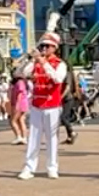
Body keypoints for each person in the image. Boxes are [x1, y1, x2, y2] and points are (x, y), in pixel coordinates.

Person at [19, 15, 65, 180]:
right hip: (37, 104)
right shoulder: (36, 63)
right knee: (34, 137)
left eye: (47, 46)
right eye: (43, 45)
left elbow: (57, 79)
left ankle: (52, 167)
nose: (44, 48)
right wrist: (32, 60)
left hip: (52, 104)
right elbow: (22, 74)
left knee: (52, 138)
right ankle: (29, 167)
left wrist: (43, 62)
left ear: (54, 48)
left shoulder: (60, 64)